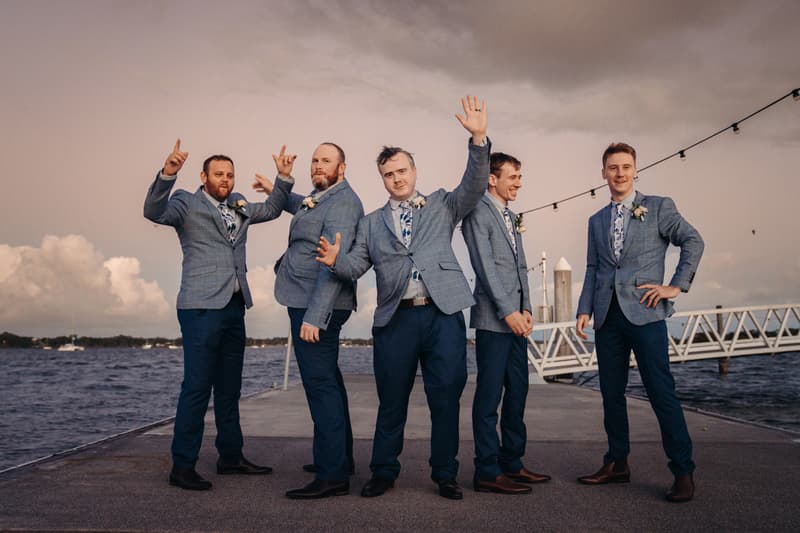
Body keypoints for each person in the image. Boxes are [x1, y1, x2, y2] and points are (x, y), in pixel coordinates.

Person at [316, 96, 490, 500]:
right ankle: (383, 471)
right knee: (391, 401)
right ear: (382, 178)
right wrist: (334, 260)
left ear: (414, 170)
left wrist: (479, 138)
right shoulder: (372, 223)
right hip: (395, 320)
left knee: (445, 399)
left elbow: (476, 184)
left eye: (402, 170)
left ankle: (445, 474)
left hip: (443, 315)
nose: (397, 178)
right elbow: (356, 265)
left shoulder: (444, 204)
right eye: (389, 174)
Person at [144, 139, 293, 491]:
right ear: (203, 176)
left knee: (229, 388)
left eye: (229, 174)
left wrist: (283, 177)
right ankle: (182, 466)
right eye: (218, 174)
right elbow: (153, 211)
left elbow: (271, 209)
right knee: (196, 388)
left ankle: (230, 456)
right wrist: (168, 173)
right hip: (199, 308)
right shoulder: (185, 203)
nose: (225, 180)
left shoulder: (239, 204)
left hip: (233, 306)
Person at [575, 142, 704, 502]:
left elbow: (693, 241)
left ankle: (682, 470)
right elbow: (593, 267)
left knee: (661, 392)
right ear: (603, 173)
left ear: (635, 170)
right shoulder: (596, 220)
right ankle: (617, 463)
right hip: (607, 317)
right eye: (612, 167)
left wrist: (675, 286)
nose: (619, 173)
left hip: (646, 313)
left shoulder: (660, 207)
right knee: (611, 395)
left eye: (626, 166)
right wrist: (584, 308)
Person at [254, 143, 364, 499]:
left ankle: (332, 475)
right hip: (308, 300)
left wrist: (315, 317)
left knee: (320, 386)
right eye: (315, 160)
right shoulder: (324, 196)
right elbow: (302, 205)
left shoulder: (344, 203)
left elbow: (332, 265)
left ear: (342, 168)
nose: (318, 166)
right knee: (328, 380)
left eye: (326, 161)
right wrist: (279, 186)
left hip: (316, 305)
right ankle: (338, 459)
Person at [461, 152, 551, 495]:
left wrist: (526, 308)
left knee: (519, 391)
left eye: (519, 177)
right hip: (493, 320)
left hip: (518, 320)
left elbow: (520, 267)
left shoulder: (511, 217)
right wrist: (507, 312)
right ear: (492, 179)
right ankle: (486, 469)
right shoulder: (476, 214)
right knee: (489, 397)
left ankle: (512, 463)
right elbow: (484, 268)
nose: (518, 183)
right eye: (512, 176)